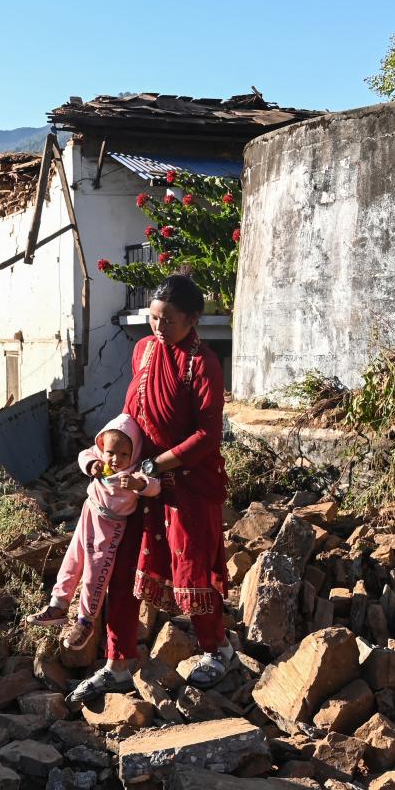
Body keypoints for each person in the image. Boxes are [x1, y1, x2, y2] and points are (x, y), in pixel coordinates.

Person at [67, 275, 233, 704]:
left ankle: (217, 649)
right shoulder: (143, 352)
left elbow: (207, 435)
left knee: (192, 569)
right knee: (121, 567)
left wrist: (155, 465)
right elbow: (130, 414)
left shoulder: (202, 364)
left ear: (193, 319)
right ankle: (117, 663)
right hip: (138, 484)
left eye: (169, 321)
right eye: (153, 318)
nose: (158, 328)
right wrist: (107, 455)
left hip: (186, 483)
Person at [25, 413, 159, 649]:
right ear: (103, 449)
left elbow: (154, 487)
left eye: (124, 454)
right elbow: (84, 455)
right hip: (89, 513)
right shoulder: (102, 462)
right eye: (110, 453)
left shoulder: (135, 472)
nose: (116, 460)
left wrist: (140, 485)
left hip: (110, 525)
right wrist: (92, 465)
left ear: (134, 452)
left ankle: (86, 621)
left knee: (96, 572)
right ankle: (58, 603)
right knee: (72, 559)